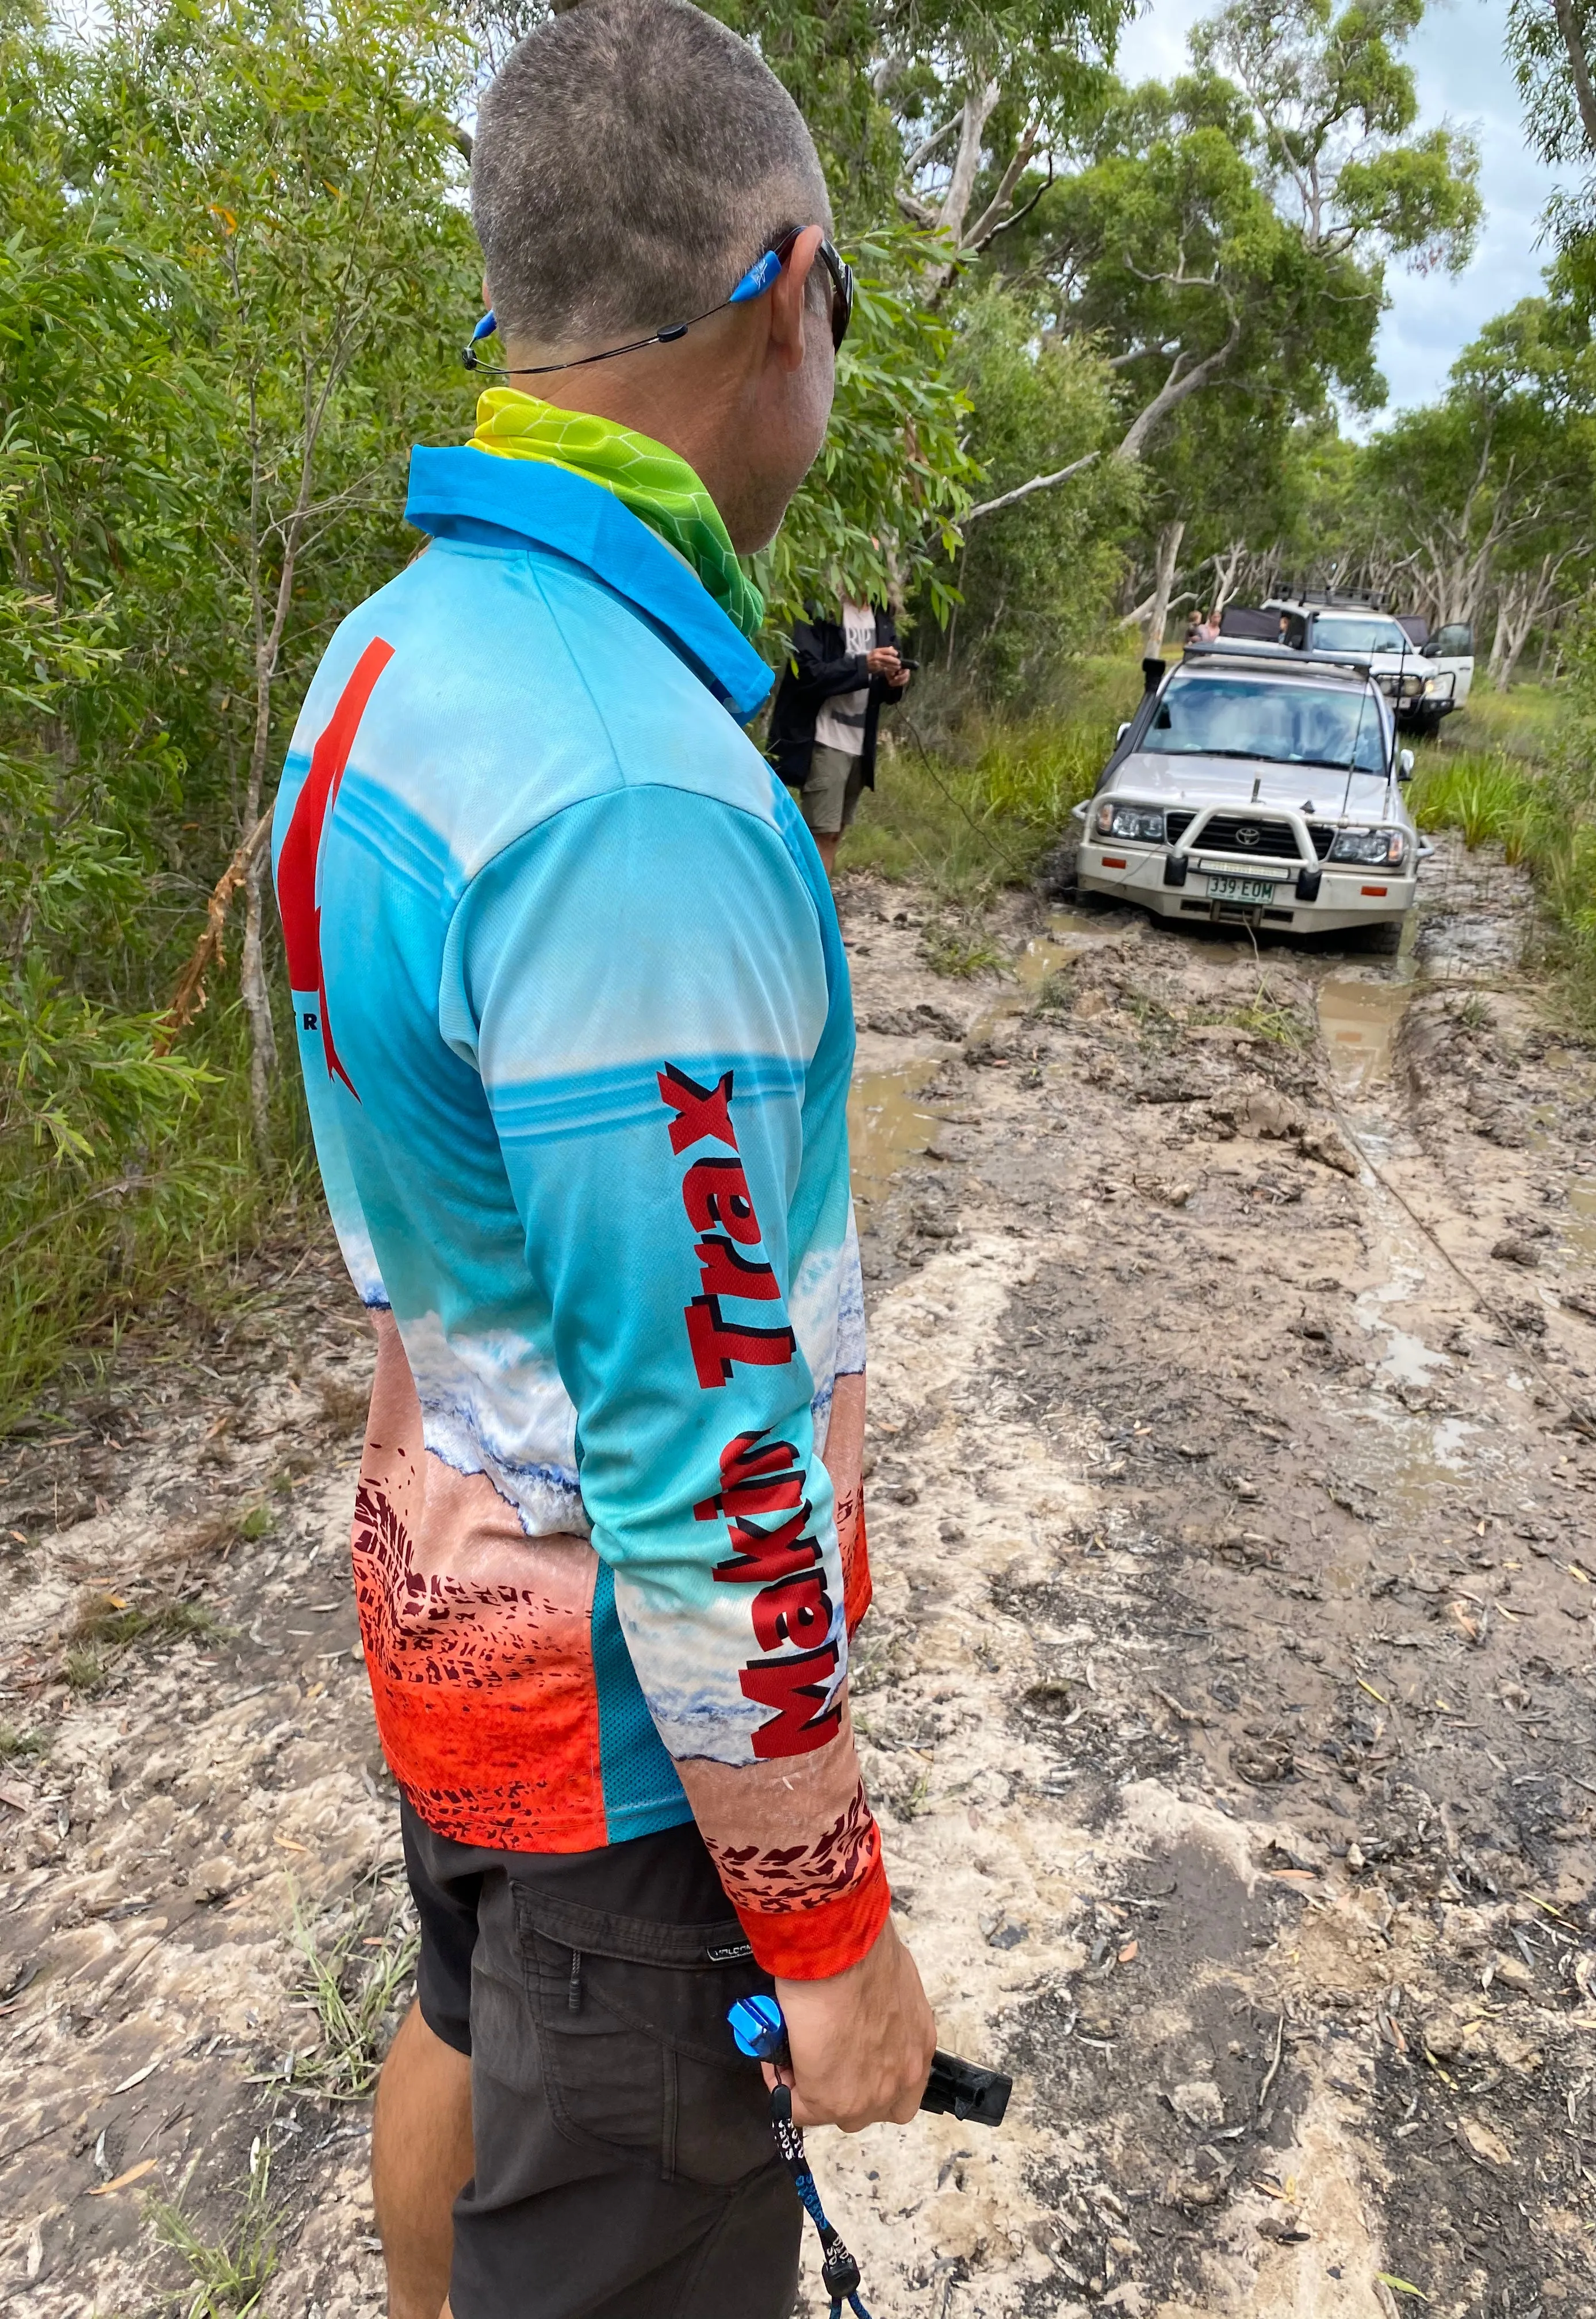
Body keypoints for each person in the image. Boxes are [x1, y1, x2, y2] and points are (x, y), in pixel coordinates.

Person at [270, 6, 935, 2316]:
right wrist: (830, 1932)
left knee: (459, 2020)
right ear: (783, 287)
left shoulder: (389, 656)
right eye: (840, 316)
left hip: (446, 1615)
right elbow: (706, 1446)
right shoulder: (632, 783)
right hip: (626, 1746)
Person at [767, 596, 909, 873]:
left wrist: (897, 681)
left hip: (860, 743)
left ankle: (818, 911)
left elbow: (885, 685)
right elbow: (807, 673)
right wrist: (864, 664)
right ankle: (810, 912)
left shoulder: (882, 617)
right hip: (824, 738)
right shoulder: (821, 608)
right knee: (819, 834)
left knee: (833, 835)